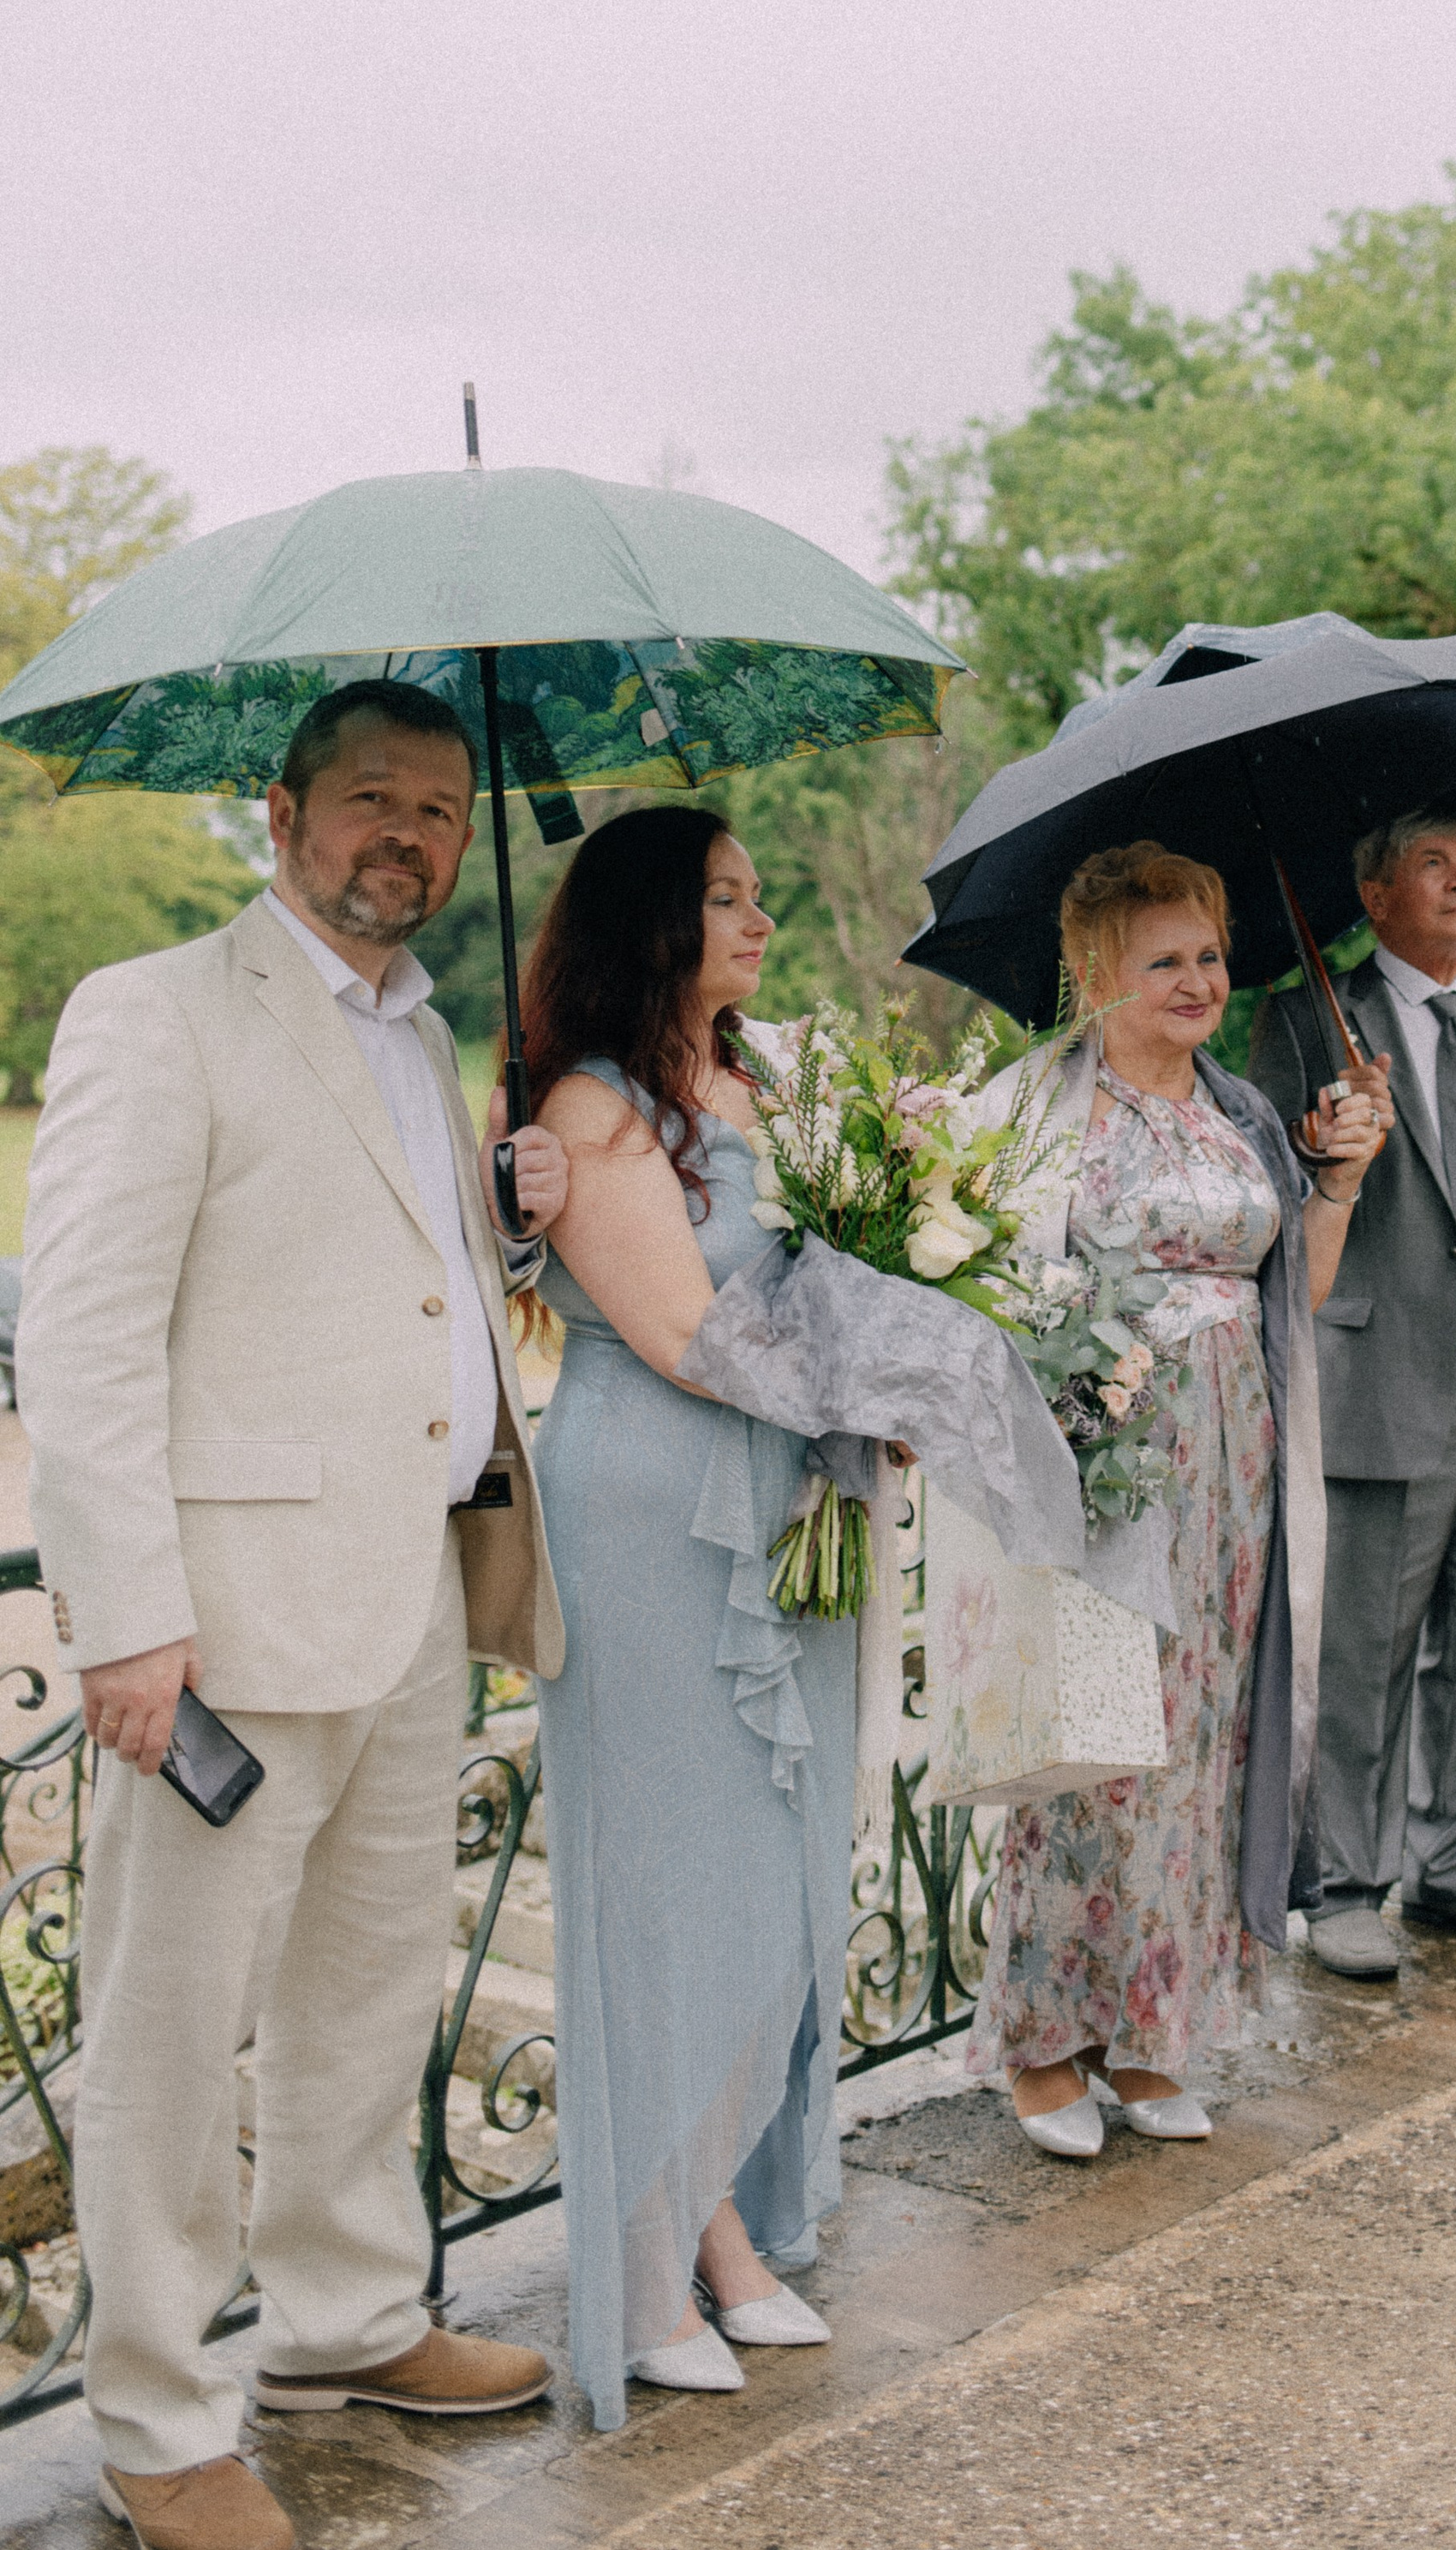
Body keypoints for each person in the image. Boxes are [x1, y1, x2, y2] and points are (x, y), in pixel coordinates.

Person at [17, 680, 567, 2550]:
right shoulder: (157, 1010)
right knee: (169, 2029)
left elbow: (391, 1293)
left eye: (436, 805)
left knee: (361, 1988)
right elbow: (83, 1333)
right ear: (280, 812)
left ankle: (342, 2319)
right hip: (224, 1631)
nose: (403, 833)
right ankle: (159, 2410)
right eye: (368, 799)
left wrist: (498, 1227)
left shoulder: (422, 1037)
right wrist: (125, 1618)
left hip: (413, 1588)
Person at [968, 841, 1383, 2156]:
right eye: (1165, 959)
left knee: (1202, 1749)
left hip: (1238, 1463)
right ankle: (1045, 2041)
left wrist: (1340, 1181)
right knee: (1089, 1747)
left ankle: (1151, 2031)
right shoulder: (1037, 1109)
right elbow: (982, 1298)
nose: (1199, 979)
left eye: (1208, 953)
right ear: (1094, 970)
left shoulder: (1243, 1111)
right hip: (1099, 1466)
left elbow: (1290, 1299)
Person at [528, 808, 859, 2423]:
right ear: (652, 919)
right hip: (656, 1503)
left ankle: (719, 2209)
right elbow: (682, 1327)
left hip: (791, 1500)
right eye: (726, 896)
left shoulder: (772, 1081)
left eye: (757, 891)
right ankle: (650, 2258)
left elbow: (842, 1261)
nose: (759, 920)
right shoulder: (592, 1110)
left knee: (781, 1875)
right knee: (672, 1880)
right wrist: (897, 1359)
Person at [1250, 805, 1456, 1976]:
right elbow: (1270, 1202)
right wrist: (1327, 1138)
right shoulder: (1307, 1018)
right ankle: (1342, 1881)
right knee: (1366, 1645)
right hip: (1386, 1377)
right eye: (1433, 866)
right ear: (1375, 892)